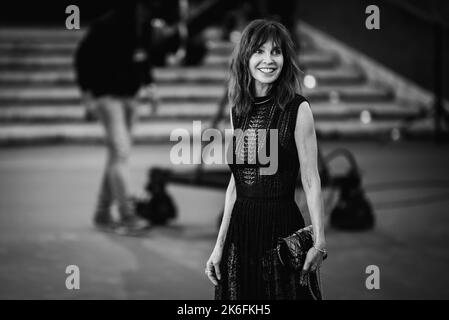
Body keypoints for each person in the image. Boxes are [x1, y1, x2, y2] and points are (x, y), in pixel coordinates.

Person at [205, 19, 327, 299]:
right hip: (241, 231)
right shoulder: (239, 109)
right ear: (245, 57)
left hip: (280, 229)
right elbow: (236, 184)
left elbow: (310, 179)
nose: (269, 60)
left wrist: (319, 241)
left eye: (276, 52)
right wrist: (219, 245)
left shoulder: (298, 108)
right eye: (259, 51)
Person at [74, 2, 158, 233]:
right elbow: (82, 58)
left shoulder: (143, 27)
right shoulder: (104, 26)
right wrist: (87, 97)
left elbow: (143, 59)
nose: (144, 13)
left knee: (116, 157)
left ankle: (102, 212)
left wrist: (150, 87)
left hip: (130, 97)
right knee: (120, 152)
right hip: (107, 98)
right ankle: (127, 215)